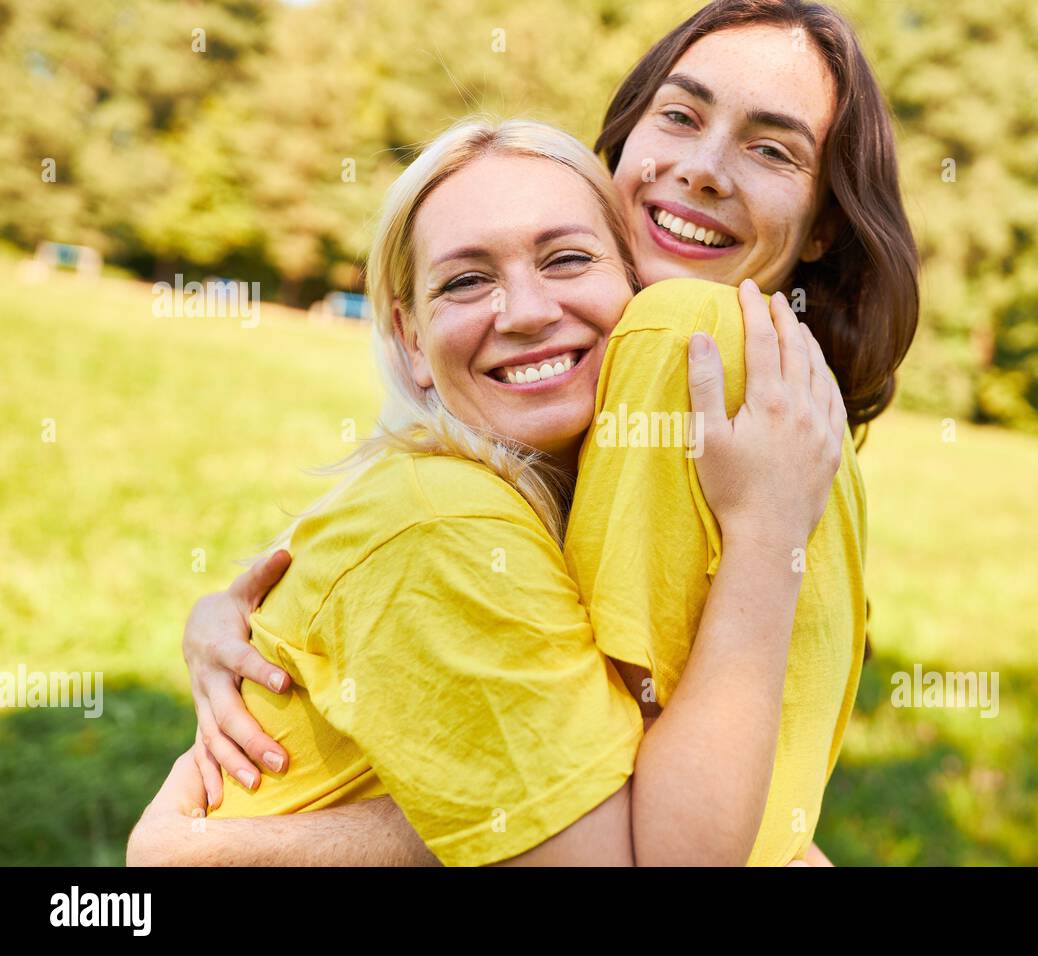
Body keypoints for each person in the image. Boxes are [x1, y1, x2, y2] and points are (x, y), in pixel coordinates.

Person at [132, 0, 918, 866]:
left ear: (827, 220)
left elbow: (643, 821)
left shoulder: (696, 369)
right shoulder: (723, 409)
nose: (700, 169)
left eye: (771, 148)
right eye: (681, 115)